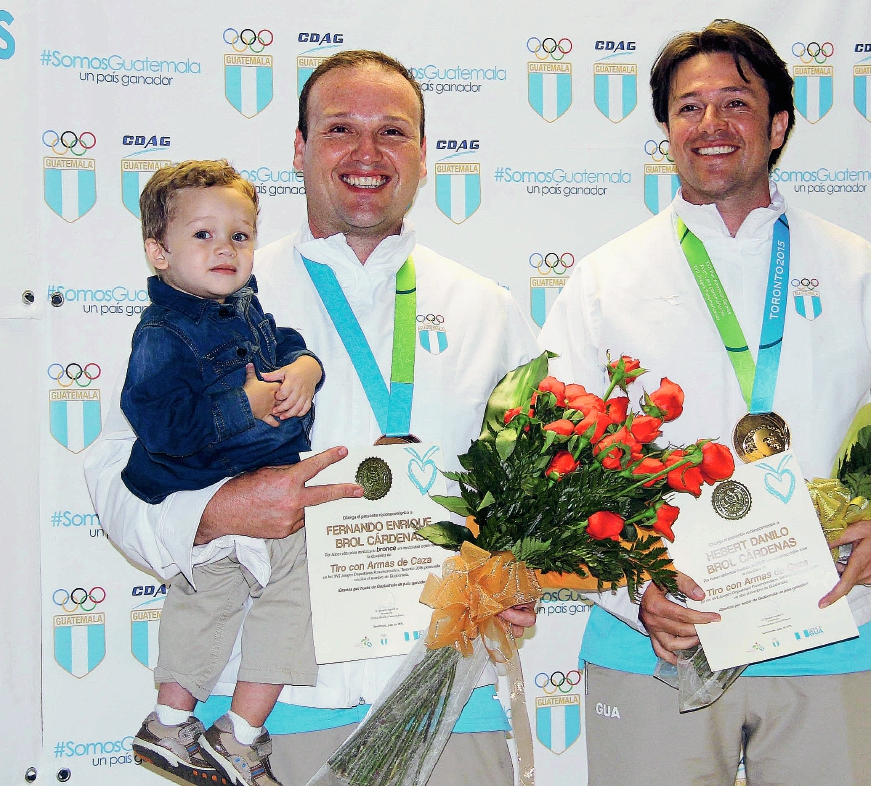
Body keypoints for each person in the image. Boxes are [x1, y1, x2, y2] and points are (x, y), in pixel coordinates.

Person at [85, 50, 539, 786]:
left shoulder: (487, 309)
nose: (367, 153)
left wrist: (519, 570)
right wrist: (221, 509)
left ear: (425, 156)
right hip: (271, 712)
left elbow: (539, 483)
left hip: (449, 692)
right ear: (298, 149)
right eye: (339, 129)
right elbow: (115, 474)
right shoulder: (210, 296)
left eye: (393, 131)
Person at [537, 21, 871, 786]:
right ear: (667, 131)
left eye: (735, 103)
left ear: (778, 124)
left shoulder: (857, 270)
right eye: (688, 107)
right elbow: (554, 464)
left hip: (828, 625)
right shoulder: (604, 283)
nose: (711, 125)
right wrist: (633, 583)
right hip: (657, 639)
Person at [121, 160, 325, 786]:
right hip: (219, 492)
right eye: (203, 235)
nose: (226, 249)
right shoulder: (161, 332)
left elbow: (282, 340)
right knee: (289, 603)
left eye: (240, 235)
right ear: (159, 252)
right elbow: (160, 425)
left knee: (205, 603)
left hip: (227, 487)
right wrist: (247, 405)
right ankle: (239, 734)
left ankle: (169, 724)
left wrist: (305, 367)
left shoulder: (240, 307)